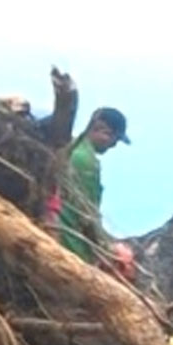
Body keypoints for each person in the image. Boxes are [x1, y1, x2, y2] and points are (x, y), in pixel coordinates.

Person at [52, 107, 136, 280]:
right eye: (114, 139)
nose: (113, 146)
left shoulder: (71, 149)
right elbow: (86, 213)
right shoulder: (86, 161)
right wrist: (108, 249)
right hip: (68, 241)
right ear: (101, 130)